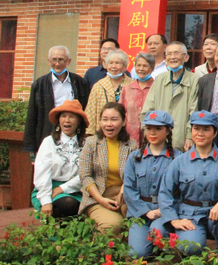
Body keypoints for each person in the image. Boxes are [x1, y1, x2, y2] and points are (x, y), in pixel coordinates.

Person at [158, 110, 218, 255]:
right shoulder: (180, 162)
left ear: (215, 132)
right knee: (190, 247)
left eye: (206, 129)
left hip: (217, 215)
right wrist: (174, 220)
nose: (200, 133)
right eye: (196, 128)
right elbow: (165, 192)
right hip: (190, 215)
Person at [124, 110, 180, 259]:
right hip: (141, 213)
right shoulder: (134, 157)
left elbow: (183, 192)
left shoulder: (178, 158)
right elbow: (129, 189)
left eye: (158, 128)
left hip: (166, 212)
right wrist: (145, 211)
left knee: (157, 234)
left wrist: (165, 210)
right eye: (148, 128)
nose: (152, 132)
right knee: (137, 254)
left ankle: (164, 248)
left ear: (168, 130)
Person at [78, 102, 138, 234]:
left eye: (114, 119)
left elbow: (134, 173)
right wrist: (101, 200)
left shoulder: (132, 145)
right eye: (105, 119)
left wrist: (122, 191)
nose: (108, 124)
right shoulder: (91, 143)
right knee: (114, 225)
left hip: (123, 197)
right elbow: (85, 176)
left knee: (136, 222)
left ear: (123, 122)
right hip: (97, 198)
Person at [25, 45, 90, 154]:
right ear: (48, 61)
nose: (57, 63)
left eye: (61, 60)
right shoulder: (39, 84)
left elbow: (85, 110)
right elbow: (32, 115)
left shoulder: (79, 83)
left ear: (68, 61)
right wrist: (30, 148)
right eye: (54, 60)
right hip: (48, 131)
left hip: (74, 135)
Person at [32, 99, 88, 218]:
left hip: (76, 190)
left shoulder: (87, 144)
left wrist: (62, 188)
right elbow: (42, 173)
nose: (67, 120)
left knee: (73, 205)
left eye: (71, 116)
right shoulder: (49, 142)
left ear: (79, 121)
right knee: (67, 205)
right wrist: (46, 201)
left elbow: (86, 173)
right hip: (48, 189)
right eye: (63, 116)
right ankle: (55, 235)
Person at [142, 41, 199, 152]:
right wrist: (147, 132)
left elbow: (194, 111)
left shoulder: (194, 80)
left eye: (176, 53)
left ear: (186, 57)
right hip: (158, 142)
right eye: (169, 54)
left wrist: (189, 136)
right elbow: (148, 109)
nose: (172, 57)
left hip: (182, 143)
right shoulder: (159, 79)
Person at [85, 49, 133, 135]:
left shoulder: (132, 85)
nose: (113, 66)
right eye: (110, 63)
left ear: (125, 66)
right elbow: (90, 113)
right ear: (106, 66)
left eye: (117, 63)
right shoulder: (98, 86)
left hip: (126, 133)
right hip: (102, 134)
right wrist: (89, 135)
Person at [119, 52, 155, 144]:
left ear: (152, 68)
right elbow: (120, 112)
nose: (141, 69)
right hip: (129, 138)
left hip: (151, 138)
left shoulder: (157, 87)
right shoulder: (127, 88)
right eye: (138, 65)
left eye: (145, 66)